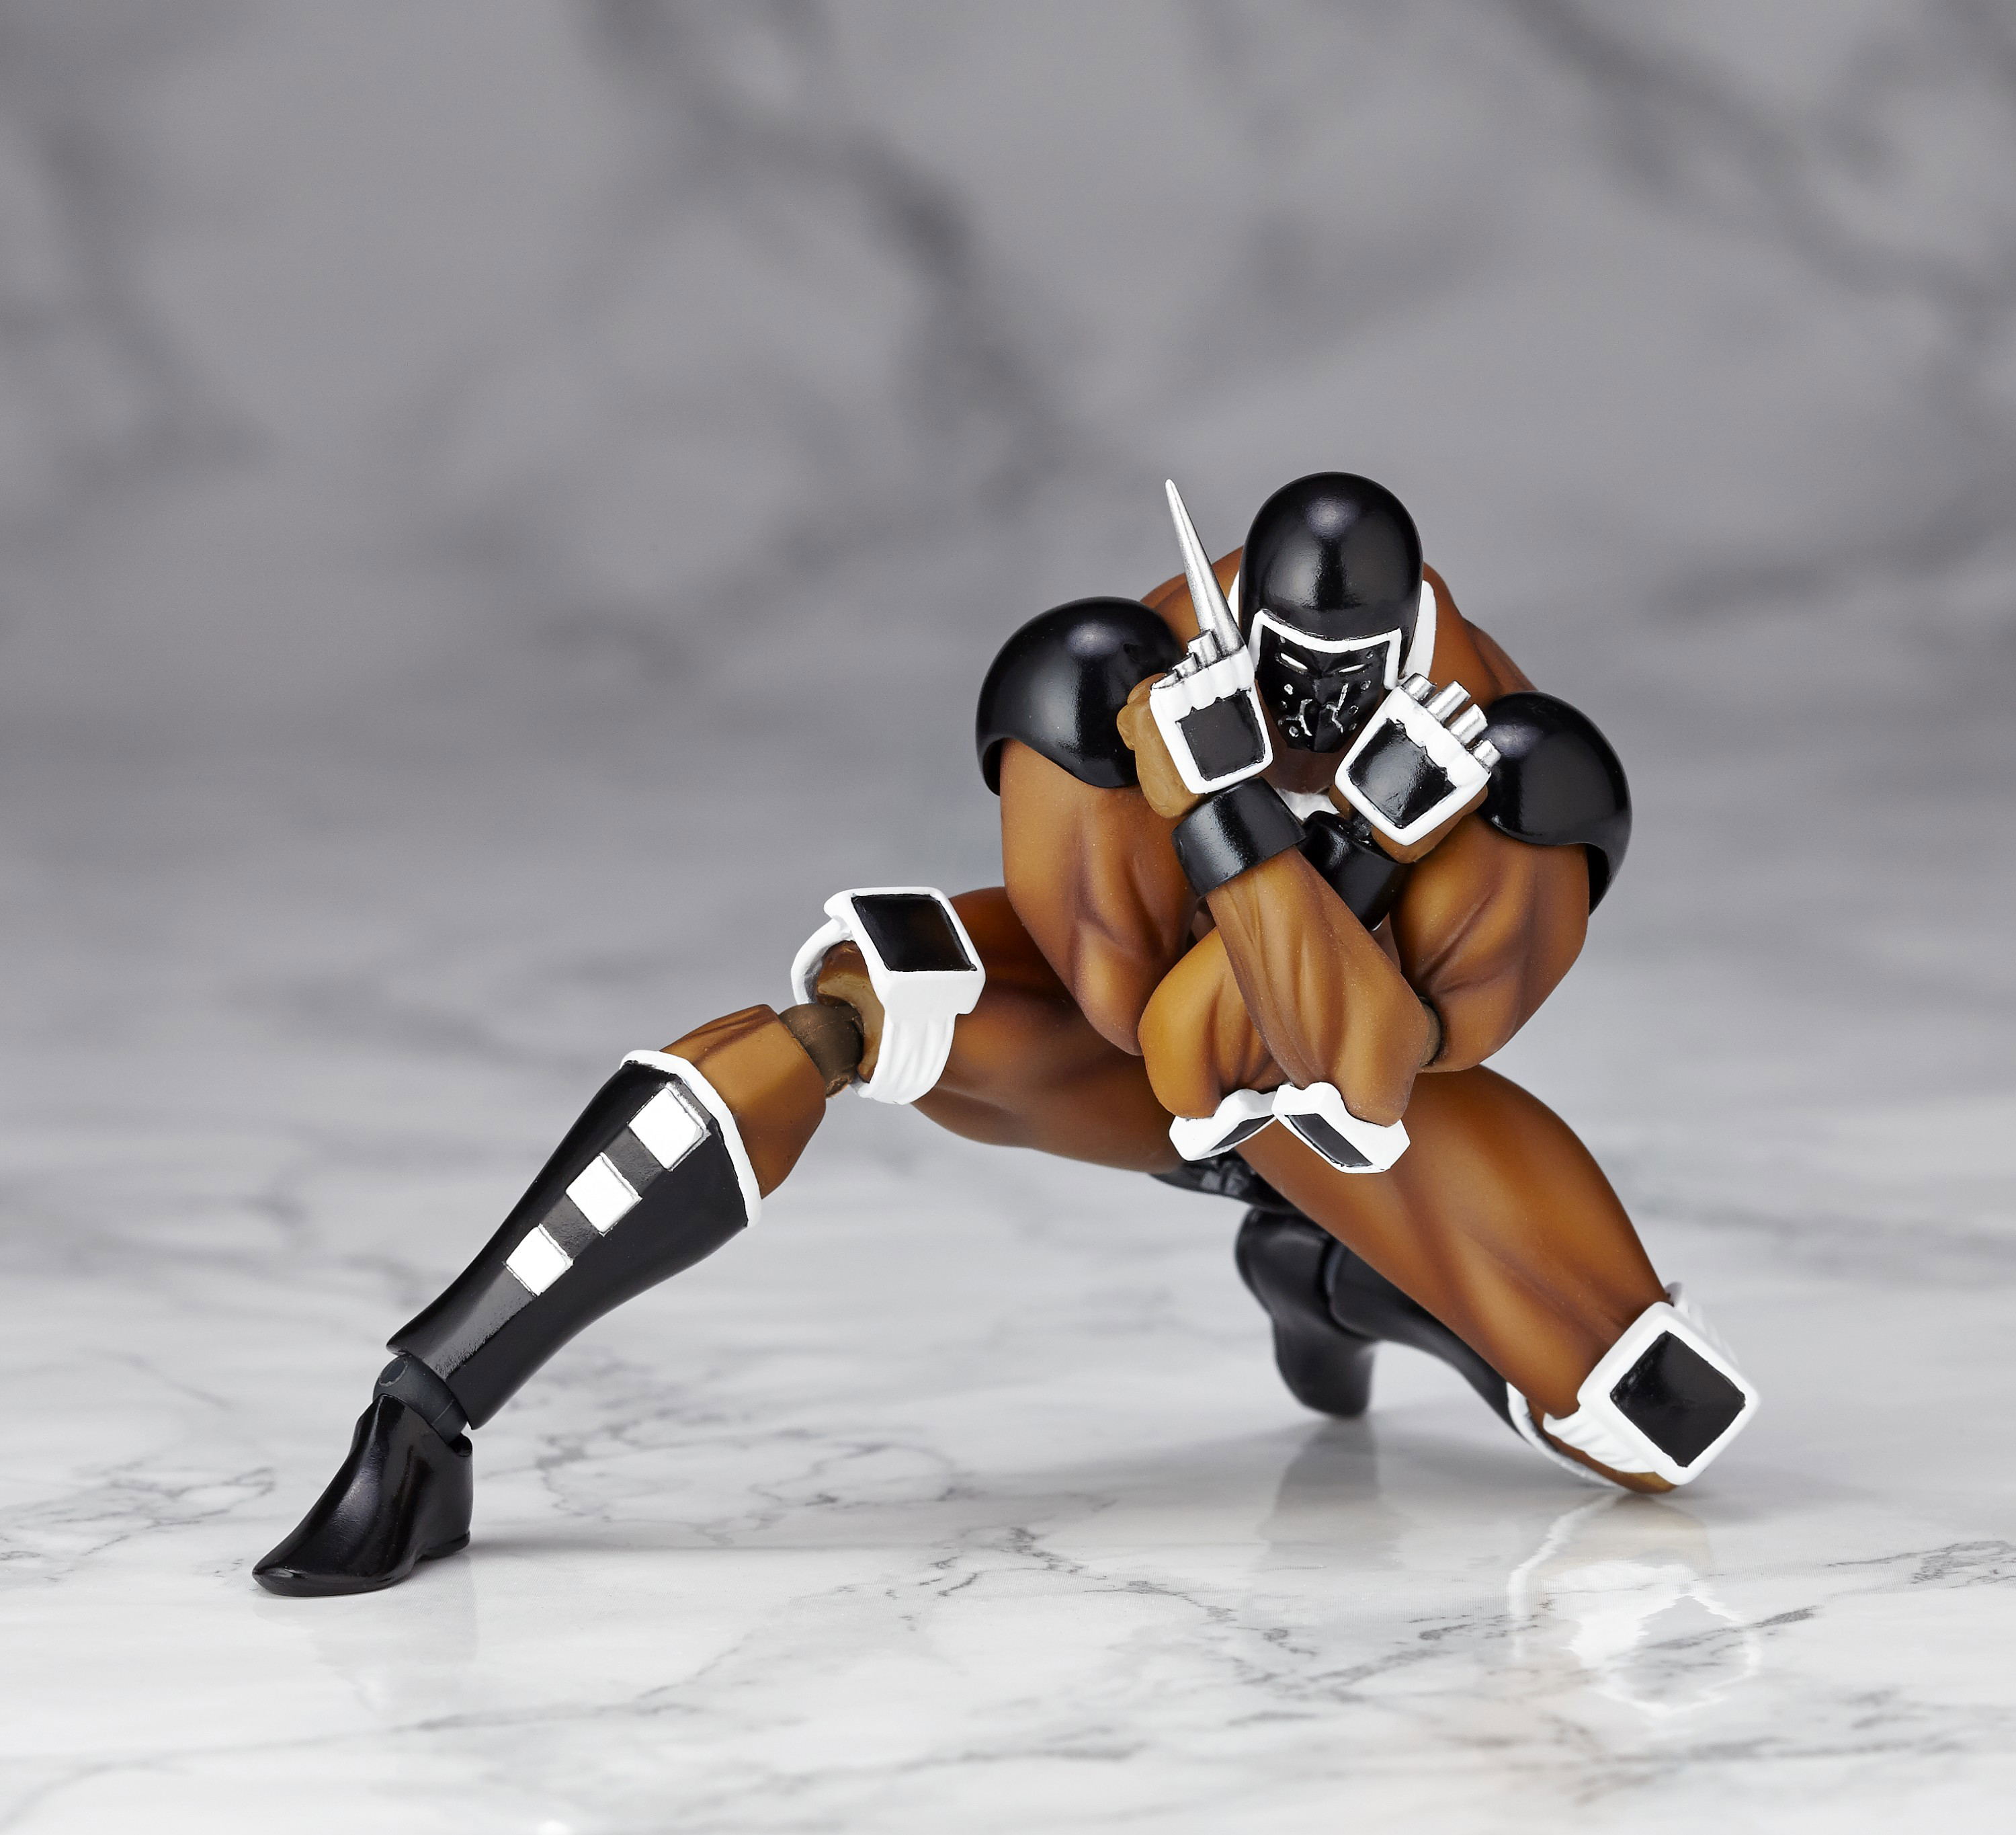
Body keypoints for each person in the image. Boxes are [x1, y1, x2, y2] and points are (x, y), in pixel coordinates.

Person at [254, 473, 1755, 1597]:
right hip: (1134, 1054)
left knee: (1649, 1418)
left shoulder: (1508, 753)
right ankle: (428, 1408)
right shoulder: (1127, 671)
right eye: (1292, 666)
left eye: (1348, 676)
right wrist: (1260, 834)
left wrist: (1276, 827)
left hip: (1367, 1110)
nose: (1316, 702)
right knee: (859, 1006)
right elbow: (1144, 1027)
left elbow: (1351, 1065)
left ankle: (1334, 1276)